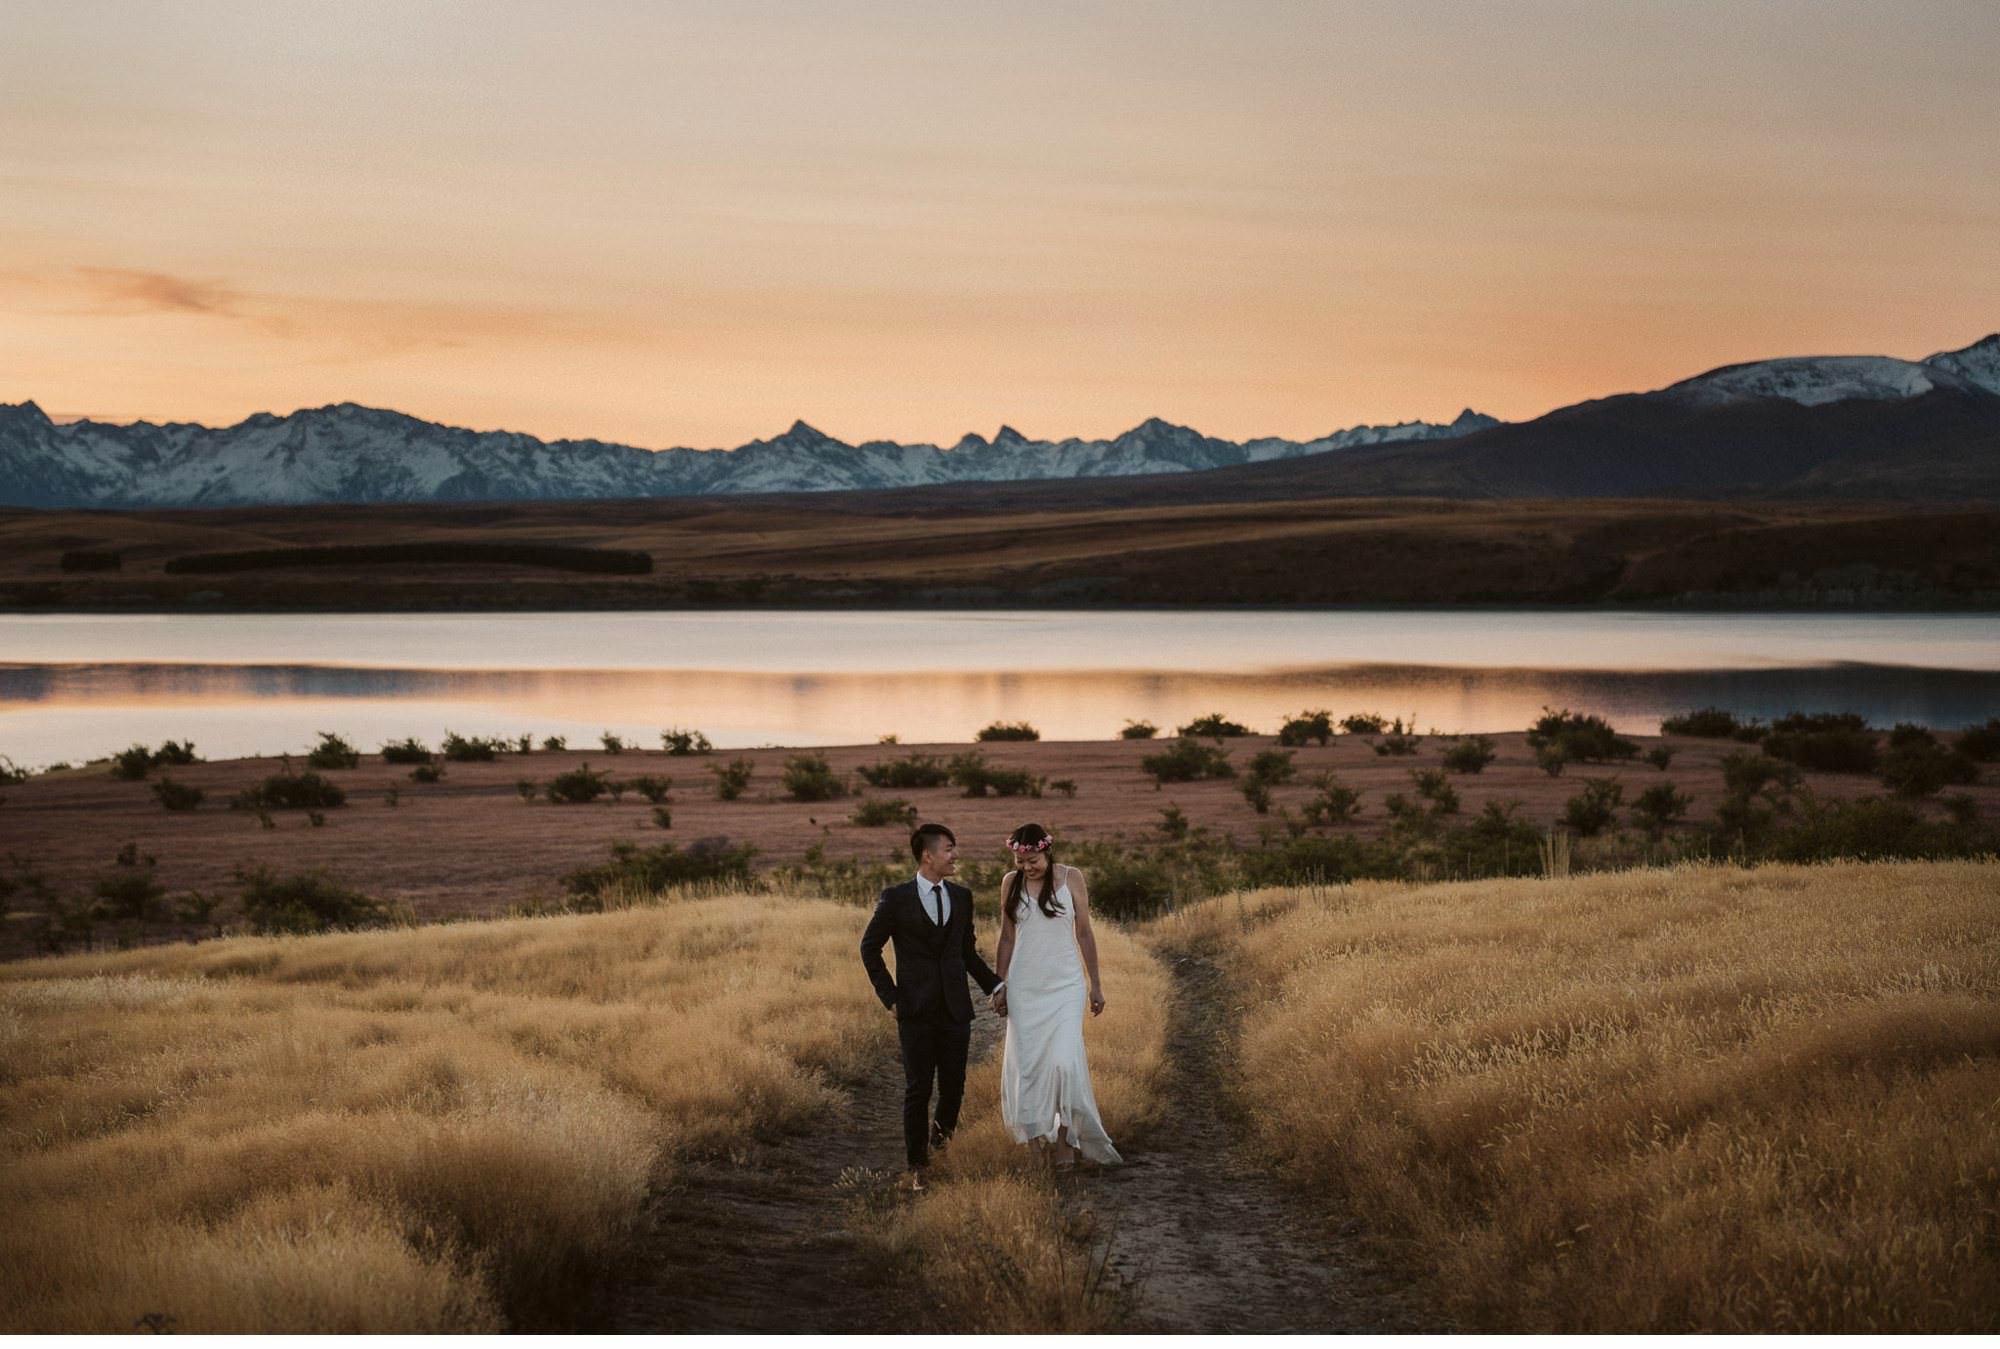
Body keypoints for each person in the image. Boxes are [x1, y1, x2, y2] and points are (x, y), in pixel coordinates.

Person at [859, 821, 1002, 1190]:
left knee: (954, 1088)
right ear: (928, 855)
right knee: (918, 1089)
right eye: (950, 849)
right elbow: (869, 948)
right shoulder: (896, 898)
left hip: (956, 1009)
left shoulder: (962, 897)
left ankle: (940, 1150)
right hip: (915, 1010)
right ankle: (917, 1166)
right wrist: (890, 997)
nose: (956, 855)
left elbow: (966, 953)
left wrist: (997, 985)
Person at [993, 823, 1122, 1169]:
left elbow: (1085, 933)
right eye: (1020, 861)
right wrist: (998, 984)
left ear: (1047, 852)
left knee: (1064, 1064)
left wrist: (1095, 984)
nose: (1026, 868)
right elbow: (1007, 938)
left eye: (1032, 860)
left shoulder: (1071, 878)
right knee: (1030, 1068)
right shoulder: (1010, 883)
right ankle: (1035, 1148)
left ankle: (1066, 1142)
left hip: (1065, 985)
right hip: (1025, 986)